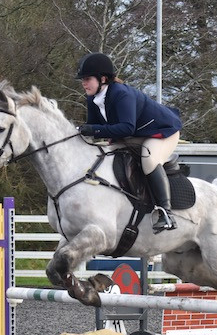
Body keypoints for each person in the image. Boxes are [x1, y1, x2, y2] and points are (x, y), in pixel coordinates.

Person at [75, 52, 182, 233]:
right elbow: (93, 127)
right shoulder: (92, 98)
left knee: (148, 160)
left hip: (162, 132)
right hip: (132, 136)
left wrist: (93, 130)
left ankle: (166, 213)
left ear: (102, 79)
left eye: (87, 79)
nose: (84, 83)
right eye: (83, 79)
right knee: (102, 156)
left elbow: (126, 128)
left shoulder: (121, 94)